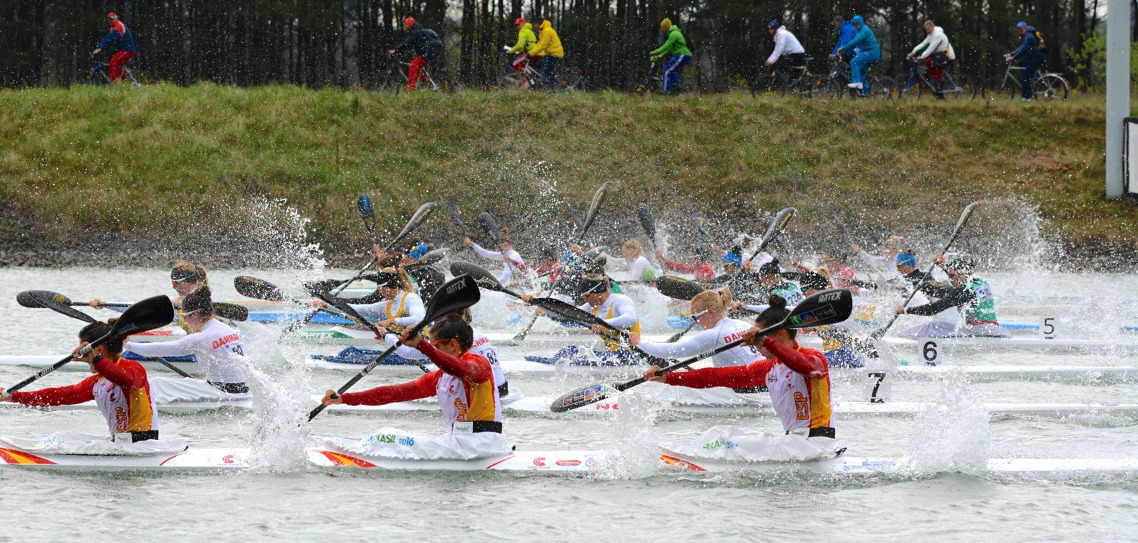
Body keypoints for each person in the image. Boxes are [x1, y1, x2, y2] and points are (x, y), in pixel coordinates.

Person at [643, 295, 839, 462]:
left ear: (780, 333)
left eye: (760, 341)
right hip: (795, 444)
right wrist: (668, 377)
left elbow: (803, 366)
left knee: (726, 439)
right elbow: (716, 376)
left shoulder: (813, 357)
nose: (757, 347)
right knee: (721, 433)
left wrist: (767, 342)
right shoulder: (769, 368)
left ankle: (697, 464)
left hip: (814, 445)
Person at [320, 316, 509, 460]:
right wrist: (345, 398)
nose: (432, 350)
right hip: (461, 442)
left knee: (384, 437)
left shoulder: (479, 364)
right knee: (386, 435)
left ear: (452, 344)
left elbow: (462, 369)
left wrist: (422, 345)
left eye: (436, 346)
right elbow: (394, 393)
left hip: (480, 443)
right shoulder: (440, 377)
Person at [0, 319, 159, 443]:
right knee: (64, 438)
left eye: (83, 348)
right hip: (122, 443)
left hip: (144, 443)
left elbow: (127, 380)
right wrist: (15, 396)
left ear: (99, 349)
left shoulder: (133, 368)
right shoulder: (97, 382)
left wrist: (95, 359)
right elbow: (59, 396)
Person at [122, 286, 250, 394]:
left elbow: (159, 350)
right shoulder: (228, 329)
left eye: (184, 316)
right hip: (242, 387)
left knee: (157, 383)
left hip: (221, 390)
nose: (184, 321)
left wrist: (128, 344)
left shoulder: (200, 338)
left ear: (195, 314)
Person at [630, 290, 763, 393]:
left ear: (711, 312)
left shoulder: (713, 335)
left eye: (696, 316)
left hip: (744, 389)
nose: (695, 321)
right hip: (763, 380)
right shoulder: (742, 324)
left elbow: (671, 351)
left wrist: (639, 343)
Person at [376, 308, 510, 397]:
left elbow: (407, 352)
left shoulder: (452, 341)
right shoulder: (473, 332)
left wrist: (386, 335)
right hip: (502, 386)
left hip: (485, 393)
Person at [896, 255, 1011, 338]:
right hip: (992, 328)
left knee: (933, 325)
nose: (950, 279)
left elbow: (933, 309)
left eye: (951, 275)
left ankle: (901, 337)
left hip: (981, 331)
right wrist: (943, 266)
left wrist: (906, 310)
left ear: (962, 273)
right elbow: (956, 277)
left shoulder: (965, 291)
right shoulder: (979, 281)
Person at [91, 261, 208, 332]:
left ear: (187, 281)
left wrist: (181, 305)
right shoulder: (173, 300)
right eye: (172, 283)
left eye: (175, 283)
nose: (173, 287)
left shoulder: (206, 299)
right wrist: (104, 304)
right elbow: (137, 308)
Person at [314, 267, 425, 332]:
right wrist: (327, 305)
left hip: (421, 350)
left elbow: (420, 319)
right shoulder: (387, 305)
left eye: (379, 288)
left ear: (387, 287)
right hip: (404, 349)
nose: (379, 292)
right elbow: (357, 309)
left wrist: (391, 321)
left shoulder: (411, 298)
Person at [388, 17, 443, 91]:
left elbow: (407, 43)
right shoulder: (416, 31)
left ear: (410, 25)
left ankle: (411, 89)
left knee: (413, 66)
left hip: (425, 53)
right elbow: (409, 44)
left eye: (406, 24)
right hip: (425, 52)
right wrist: (400, 50)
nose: (404, 26)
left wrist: (396, 50)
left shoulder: (415, 32)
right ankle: (426, 81)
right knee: (417, 67)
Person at [906, 20, 955, 97]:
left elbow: (931, 48)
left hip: (947, 56)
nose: (927, 30)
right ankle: (938, 86)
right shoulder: (931, 34)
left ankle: (939, 81)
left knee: (929, 62)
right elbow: (924, 44)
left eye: (928, 29)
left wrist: (922, 56)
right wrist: (913, 52)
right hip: (941, 55)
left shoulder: (937, 35)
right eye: (926, 29)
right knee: (929, 62)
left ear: (932, 26)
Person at [649, 18, 692, 94]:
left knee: (667, 70)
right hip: (682, 55)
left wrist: (655, 52)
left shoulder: (674, 34)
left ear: (666, 27)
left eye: (662, 27)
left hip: (683, 54)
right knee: (671, 71)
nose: (662, 29)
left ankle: (665, 91)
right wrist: (661, 55)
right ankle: (680, 88)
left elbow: (666, 45)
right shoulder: (673, 33)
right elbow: (670, 48)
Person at [838, 15, 880, 94]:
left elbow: (855, 41)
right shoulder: (860, 30)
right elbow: (854, 44)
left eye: (856, 24)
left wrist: (843, 48)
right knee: (861, 72)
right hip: (870, 52)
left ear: (860, 23)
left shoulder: (864, 30)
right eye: (854, 24)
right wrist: (845, 49)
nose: (855, 26)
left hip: (872, 52)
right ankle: (866, 92)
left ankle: (857, 83)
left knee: (854, 61)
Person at [91, 12, 137, 84]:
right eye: (109, 19)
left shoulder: (118, 26)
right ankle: (127, 83)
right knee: (118, 66)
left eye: (112, 19)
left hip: (127, 49)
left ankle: (114, 84)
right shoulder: (113, 27)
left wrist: (100, 48)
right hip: (124, 49)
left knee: (113, 62)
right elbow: (108, 38)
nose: (110, 21)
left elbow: (110, 38)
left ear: (116, 18)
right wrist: (100, 47)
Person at [1006, 21, 1046, 101]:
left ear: (1025, 28)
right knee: (1020, 63)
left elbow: (1023, 50)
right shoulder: (1025, 35)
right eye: (1018, 29)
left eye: (1021, 29)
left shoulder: (1028, 36)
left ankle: (1027, 97)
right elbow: (1021, 48)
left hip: (1037, 58)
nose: (1019, 31)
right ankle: (1033, 80)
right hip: (1034, 57)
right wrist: (1011, 54)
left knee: (1025, 76)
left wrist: (1013, 57)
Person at [528, 19, 564, 89]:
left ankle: (549, 89)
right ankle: (537, 84)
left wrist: (532, 53)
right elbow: (539, 44)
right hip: (549, 54)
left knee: (548, 71)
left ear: (538, 24)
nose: (534, 26)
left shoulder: (546, 31)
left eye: (534, 24)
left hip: (554, 54)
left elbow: (543, 45)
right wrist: (531, 53)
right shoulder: (542, 31)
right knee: (537, 65)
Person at [507, 17, 538, 83]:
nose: (517, 26)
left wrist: (511, 51)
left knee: (516, 63)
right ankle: (532, 80)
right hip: (537, 52)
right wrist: (520, 51)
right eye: (516, 25)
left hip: (532, 52)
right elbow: (524, 45)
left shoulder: (523, 31)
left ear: (523, 23)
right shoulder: (530, 30)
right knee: (527, 67)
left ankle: (527, 81)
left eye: (519, 24)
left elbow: (520, 45)